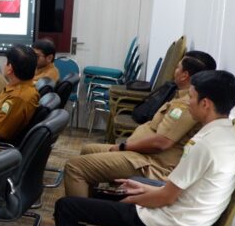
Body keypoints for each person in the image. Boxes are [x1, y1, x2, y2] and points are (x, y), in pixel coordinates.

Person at [42, 70, 235, 226]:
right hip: (185, 215)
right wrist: (142, 190)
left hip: (170, 221)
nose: (188, 103)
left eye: (191, 97)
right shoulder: (229, 136)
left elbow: (166, 198)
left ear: (206, 104)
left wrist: (136, 199)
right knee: (109, 193)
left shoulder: (204, 145)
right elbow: (178, 192)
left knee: (66, 207)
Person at [63, 52, 217, 199]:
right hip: (141, 153)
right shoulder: (181, 98)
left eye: (177, 67)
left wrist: (124, 147)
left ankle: (79, 217)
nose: (174, 70)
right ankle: (87, 204)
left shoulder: (186, 107)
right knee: (87, 150)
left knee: (74, 167)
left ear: (185, 75)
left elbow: (160, 143)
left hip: (149, 162)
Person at [0, 45, 40, 143]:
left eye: (6, 63)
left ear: (10, 68)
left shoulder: (17, 98)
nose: (4, 65)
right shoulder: (16, 88)